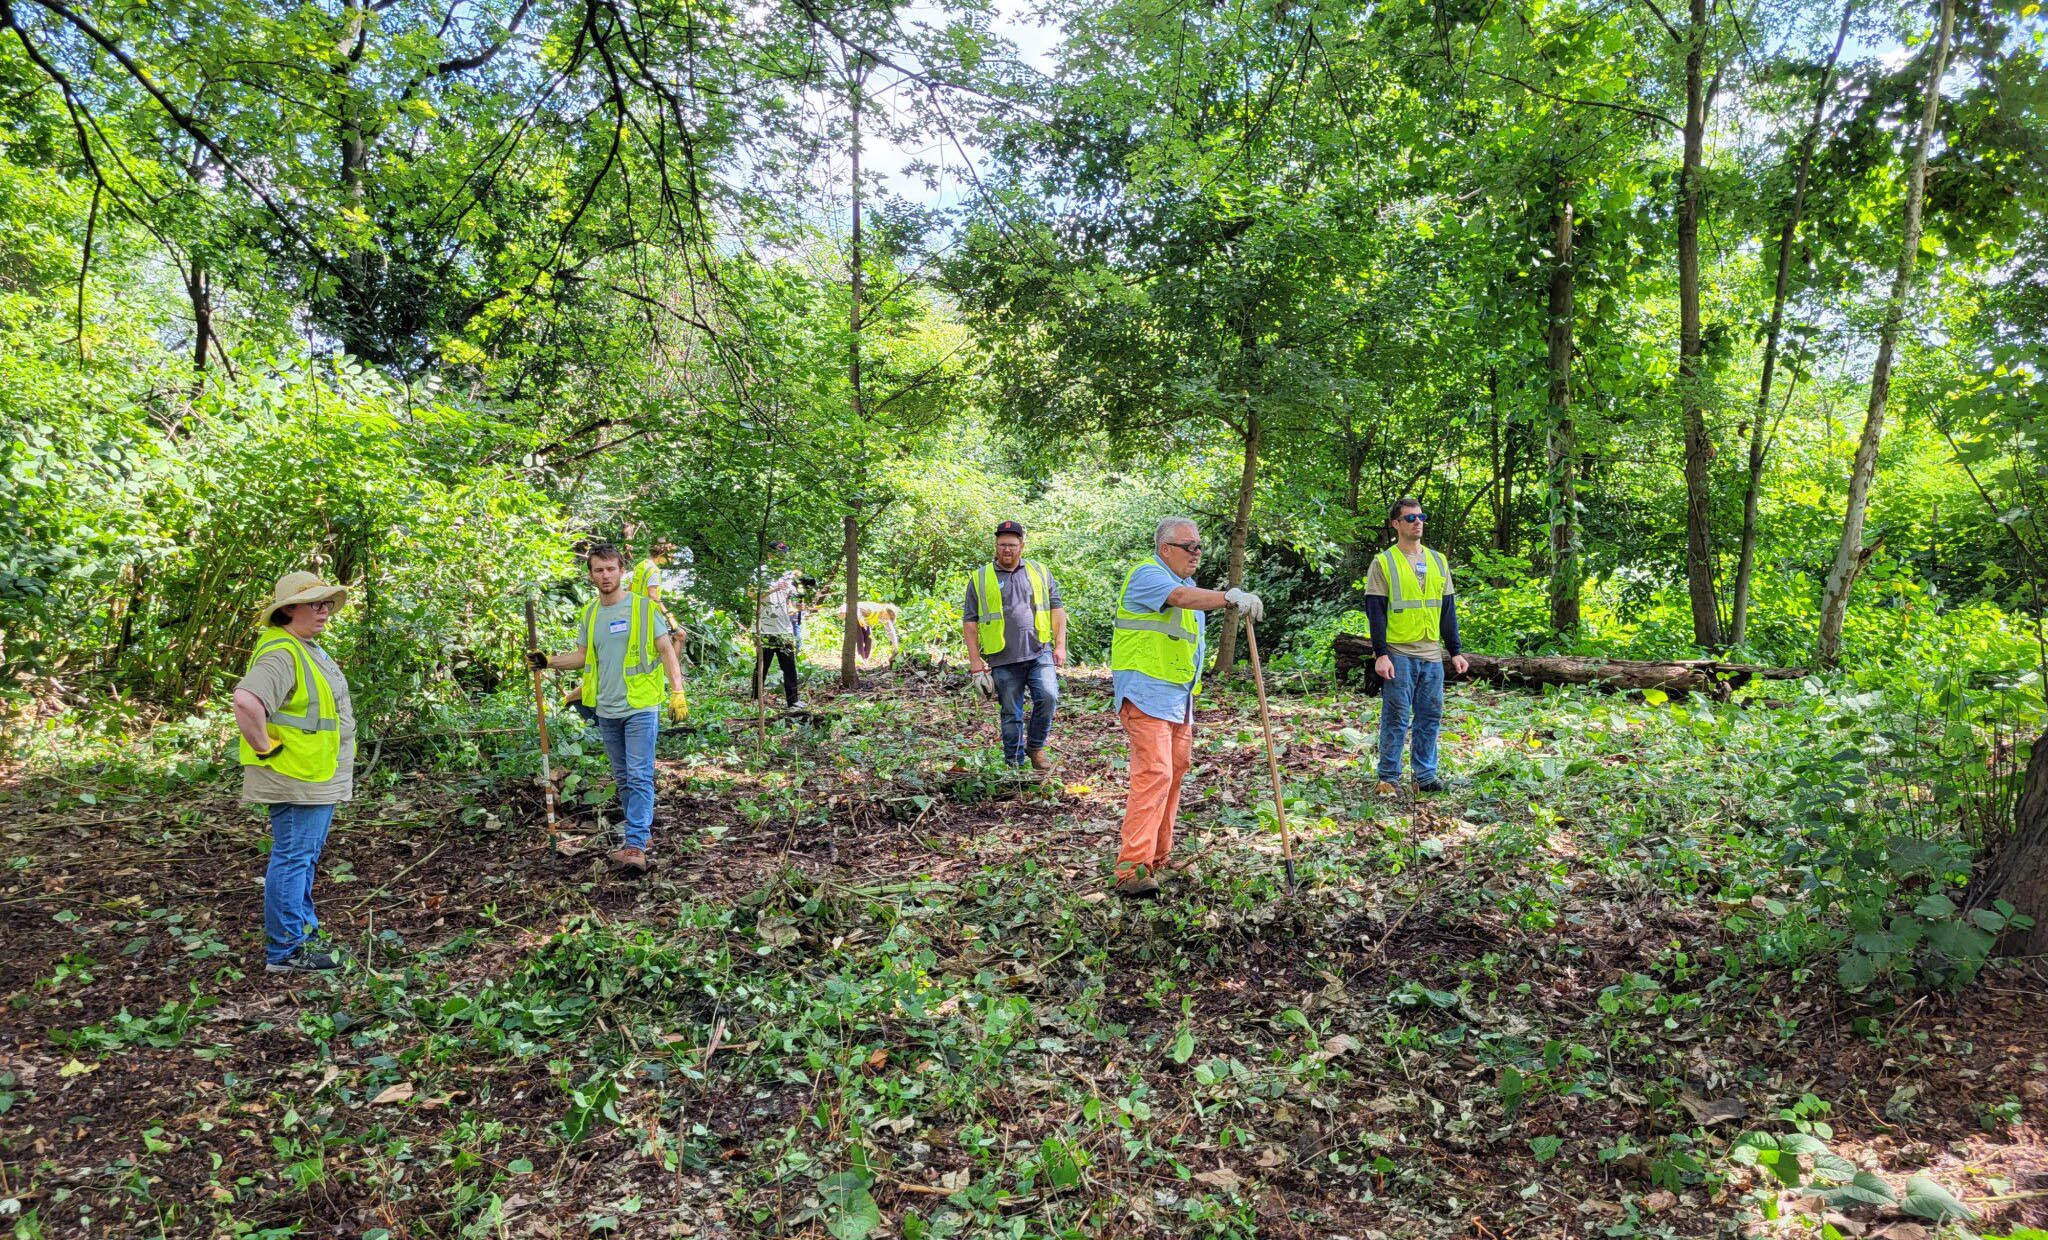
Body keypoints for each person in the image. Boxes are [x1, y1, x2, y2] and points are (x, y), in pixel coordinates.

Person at [1109, 517, 1263, 897]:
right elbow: (1178, 599)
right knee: (1155, 773)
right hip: (1146, 693)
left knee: (1175, 773)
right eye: (1188, 546)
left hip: (1178, 698)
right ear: (1166, 550)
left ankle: (1158, 859)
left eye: (1199, 545)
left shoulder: (1190, 587)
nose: (1197, 552)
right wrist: (1228, 596)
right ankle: (1131, 869)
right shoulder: (1147, 575)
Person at [529, 543, 689, 872]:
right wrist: (548, 661)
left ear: (621, 571)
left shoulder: (644, 608)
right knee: (623, 776)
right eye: (599, 570)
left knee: (640, 773)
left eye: (611, 569)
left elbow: (666, 650)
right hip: (607, 708)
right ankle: (640, 837)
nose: (605, 575)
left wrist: (677, 690)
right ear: (591, 575)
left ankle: (634, 847)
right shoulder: (590, 613)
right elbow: (583, 656)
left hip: (641, 705)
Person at [231, 571, 355, 974]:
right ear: (288, 609)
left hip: (313, 771)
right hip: (297, 773)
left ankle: (302, 934)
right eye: (314, 604)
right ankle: (286, 950)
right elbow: (246, 701)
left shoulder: (304, 647)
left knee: (302, 856)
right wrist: (265, 747)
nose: (323, 612)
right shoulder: (282, 652)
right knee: (293, 858)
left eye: (326, 604)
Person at [1364, 497, 1468, 795]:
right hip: (1399, 653)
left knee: (1430, 716)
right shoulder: (1384, 562)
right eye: (1410, 518)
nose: (1418, 522)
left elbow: (1447, 608)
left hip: (1431, 654)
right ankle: (1389, 777)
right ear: (1396, 524)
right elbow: (1375, 610)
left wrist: (1455, 650)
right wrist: (1380, 654)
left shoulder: (1438, 560)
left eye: (1421, 517)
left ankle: (1425, 776)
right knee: (1396, 717)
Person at [963, 520, 1069, 770]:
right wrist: (976, 662)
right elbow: (970, 622)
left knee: (1049, 696)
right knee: (1011, 713)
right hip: (1002, 657)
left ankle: (1036, 747)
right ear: (996, 546)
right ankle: (1014, 763)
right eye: (1002, 545)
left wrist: (1060, 645)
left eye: (1012, 545)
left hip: (1039, 651)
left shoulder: (1039, 572)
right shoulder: (980, 578)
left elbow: (1057, 608)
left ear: (1022, 545)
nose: (1006, 550)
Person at [752, 544, 803, 710]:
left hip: (785, 628)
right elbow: (752, 595)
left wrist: (797, 607)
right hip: (765, 628)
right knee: (762, 665)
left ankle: (793, 701)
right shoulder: (761, 572)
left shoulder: (788, 575)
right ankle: (755, 699)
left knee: (789, 666)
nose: (783, 557)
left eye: (784, 554)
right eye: (779, 554)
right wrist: (773, 588)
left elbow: (790, 599)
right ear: (770, 555)